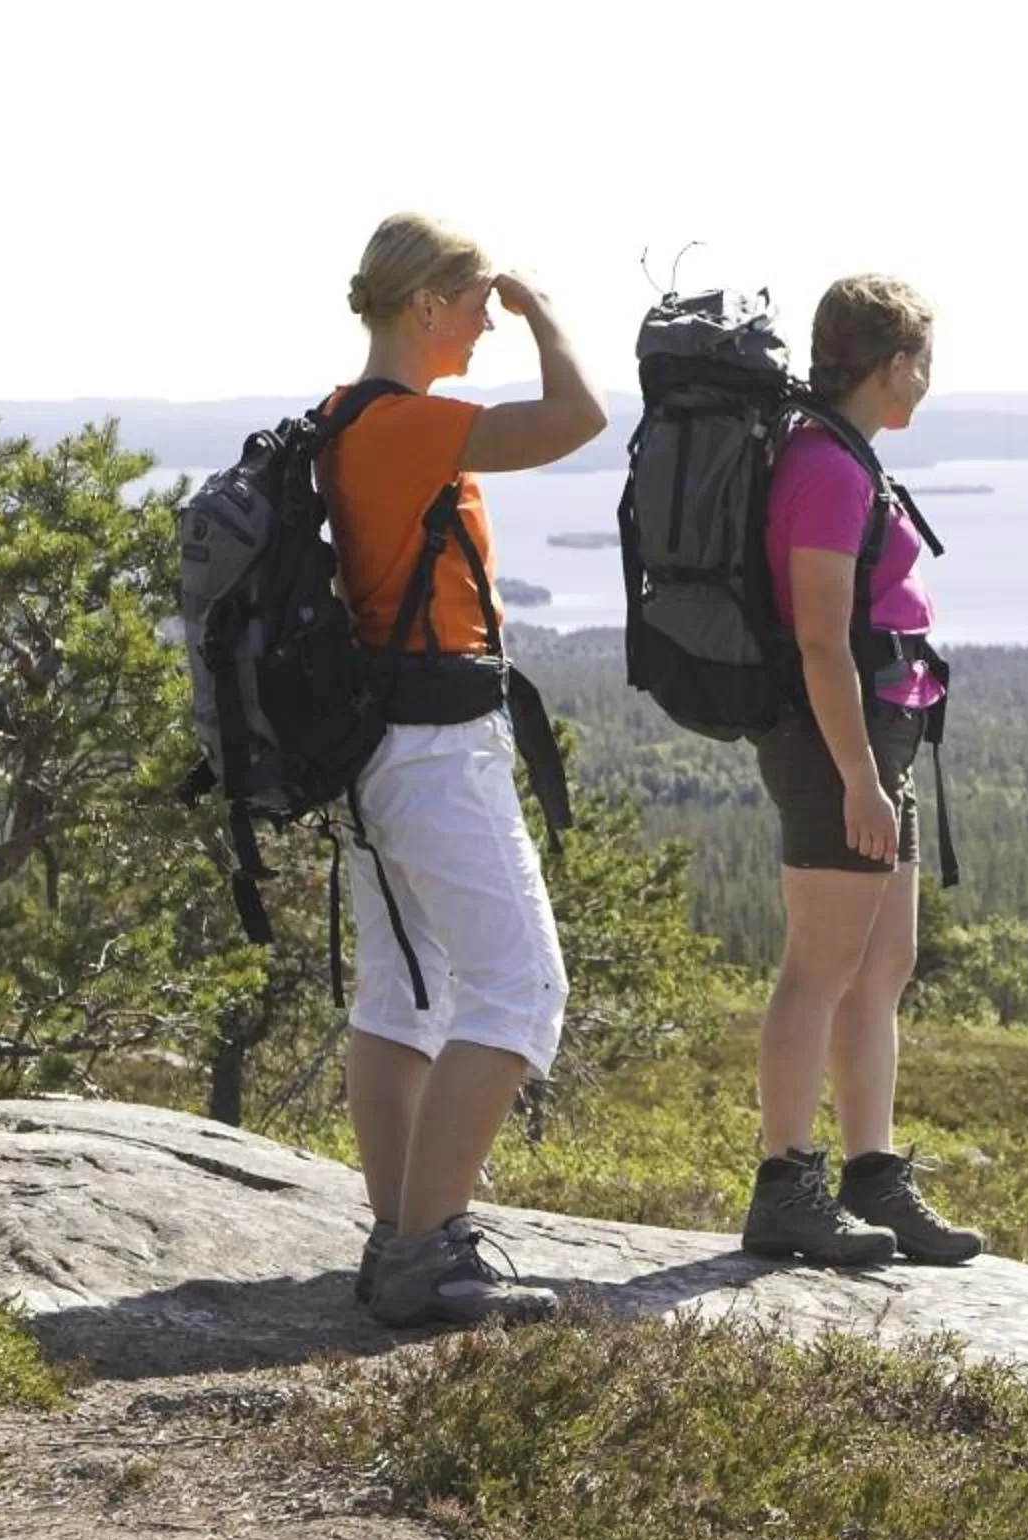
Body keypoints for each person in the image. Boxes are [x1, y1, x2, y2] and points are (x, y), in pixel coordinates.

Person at [327, 212, 607, 1326]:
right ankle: (429, 1247)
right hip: (436, 751)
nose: (488, 319)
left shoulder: (344, 419)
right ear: (425, 304)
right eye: (477, 300)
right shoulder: (403, 426)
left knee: (405, 992)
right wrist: (547, 318)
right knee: (521, 987)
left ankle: (402, 1237)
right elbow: (577, 418)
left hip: (375, 748)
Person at [742, 275, 983, 1266]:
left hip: (881, 737)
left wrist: (874, 769)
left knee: (879, 968)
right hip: (835, 744)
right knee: (819, 969)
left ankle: (872, 1173)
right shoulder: (825, 470)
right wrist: (855, 778)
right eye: (921, 361)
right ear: (889, 366)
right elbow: (819, 644)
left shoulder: (844, 456)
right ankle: (784, 1182)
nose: (927, 379)